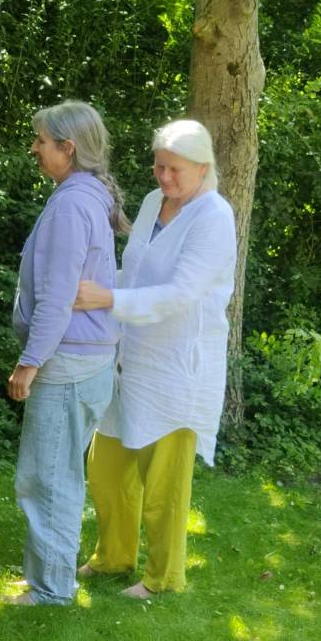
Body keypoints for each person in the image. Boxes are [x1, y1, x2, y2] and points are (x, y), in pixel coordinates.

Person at [74, 118, 237, 598]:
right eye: (158, 166)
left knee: (164, 484)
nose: (164, 177)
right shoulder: (152, 203)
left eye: (174, 169)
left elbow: (180, 294)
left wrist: (107, 300)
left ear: (203, 168)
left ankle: (164, 577)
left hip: (177, 367)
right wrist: (109, 308)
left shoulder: (213, 216)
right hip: (131, 357)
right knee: (106, 468)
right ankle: (113, 556)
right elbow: (134, 271)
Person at [4, 100, 130, 606]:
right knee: (55, 474)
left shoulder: (73, 205)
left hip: (69, 363)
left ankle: (52, 589)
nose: (34, 148)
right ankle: (49, 577)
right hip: (85, 360)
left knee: (48, 479)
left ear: (68, 148)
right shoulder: (85, 196)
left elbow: (58, 295)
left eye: (41, 140)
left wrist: (29, 362)